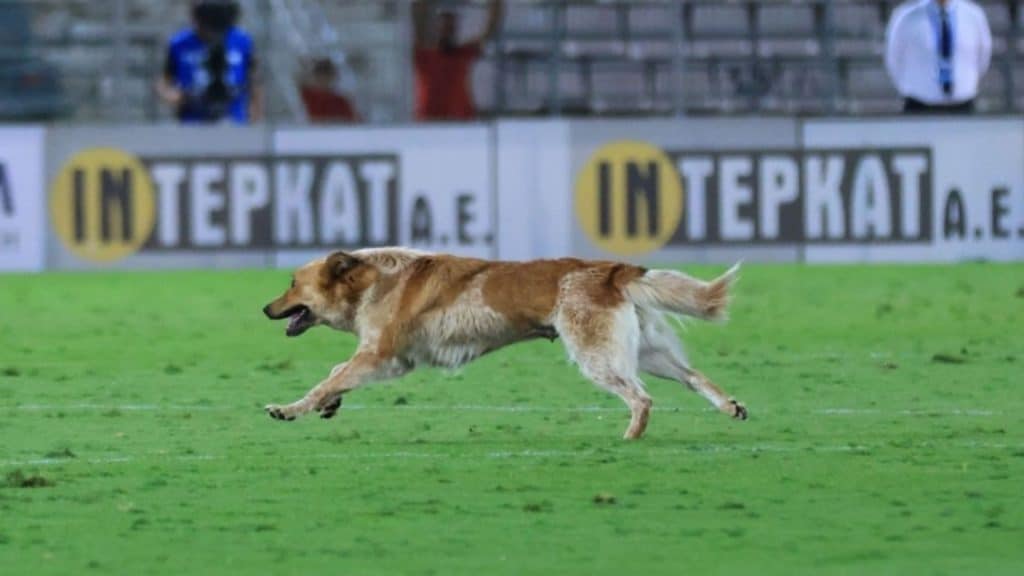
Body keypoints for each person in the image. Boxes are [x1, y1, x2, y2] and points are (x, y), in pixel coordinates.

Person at [157, 0, 262, 123]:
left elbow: (255, 82)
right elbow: (164, 81)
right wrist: (175, 97)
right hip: (192, 121)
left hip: (233, 119)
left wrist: (254, 118)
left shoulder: (242, 41)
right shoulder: (179, 44)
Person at [885, 0, 992, 114]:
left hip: (963, 103)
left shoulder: (974, 15)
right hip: (919, 104)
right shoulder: (905, 16)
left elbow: (983, 56)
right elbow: (894, 58)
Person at [412, 0, 503, 121]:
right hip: (429, 123)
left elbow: (490, 29)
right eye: (444, 26)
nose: (447, 30)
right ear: (437, 29)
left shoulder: (463, 53)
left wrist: (496, 4)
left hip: (461, 123)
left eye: (451, 27)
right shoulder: (425, 56)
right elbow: (418, 16)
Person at [298, 57, 359, 123]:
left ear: (332, 77)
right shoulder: (304, 96)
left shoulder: (340, 101)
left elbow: (354, 123)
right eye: (320, 75)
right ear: (314, 76)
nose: (323, 79)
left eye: (326, 75)